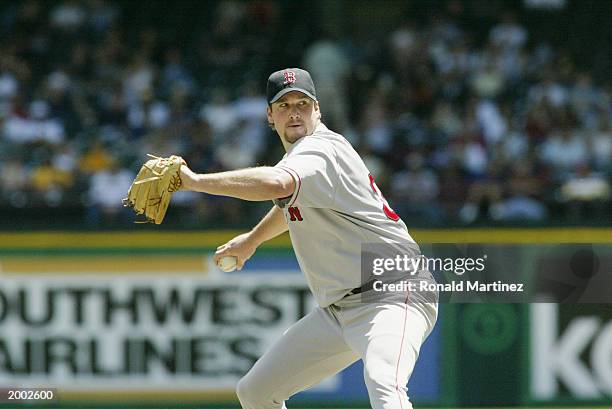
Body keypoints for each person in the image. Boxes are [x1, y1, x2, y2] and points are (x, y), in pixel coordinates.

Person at [179, 68, 438, 409]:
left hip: (394, 293)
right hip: (337, 311)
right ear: (270, 116)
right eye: (284, 105)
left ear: (318, 110)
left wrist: (195, 181)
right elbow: (292, 204)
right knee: (256, 392)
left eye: (303, 102)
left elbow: (278, 186)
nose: (295, 111)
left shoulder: (320, 149)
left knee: (385, 385)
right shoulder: (302, 160)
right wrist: (253, 240)